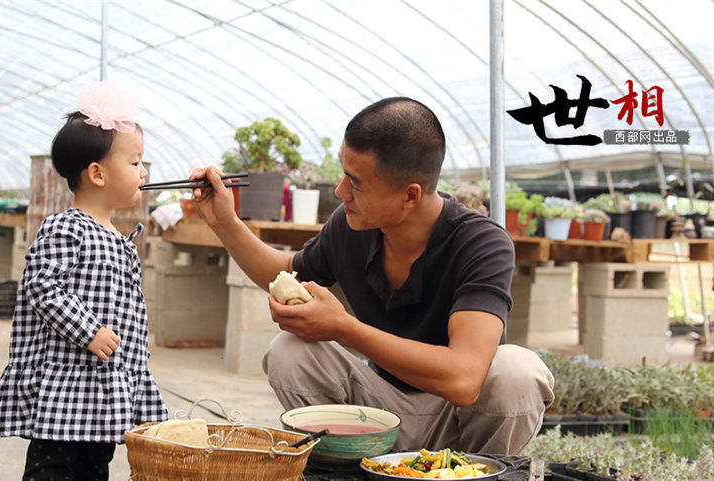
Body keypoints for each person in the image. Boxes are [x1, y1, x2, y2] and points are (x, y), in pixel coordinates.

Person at [189, 97, 553, 456]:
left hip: (456, 420)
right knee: (290, 351)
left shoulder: (481, 243)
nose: (340, 192)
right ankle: (347, 468)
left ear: (410, 195)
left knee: (517, 372)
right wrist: (225, 222)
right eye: (343, 174)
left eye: (356, 182)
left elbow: (464, 379)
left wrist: (345, 328)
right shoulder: (353, 226)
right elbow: (288, 274)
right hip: (375, 415)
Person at [0, 81, 166, 481]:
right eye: (135, 162)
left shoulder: (117, 235)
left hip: (106, 374)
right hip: (67, 372)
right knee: (54, 454)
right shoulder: (66, 227)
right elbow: (44, 288)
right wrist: (87, 330)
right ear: (97, 173)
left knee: (96, 449)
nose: (144, 171)